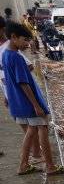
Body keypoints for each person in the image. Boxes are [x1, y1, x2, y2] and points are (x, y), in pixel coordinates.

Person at [2, 22, 64, 175]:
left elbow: (6, 80)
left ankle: (23, 165)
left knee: (30, 132)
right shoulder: (16, 57)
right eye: (25, 40)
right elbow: (24, 84)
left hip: (18, 103)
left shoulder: (5, 54)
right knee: (42, 128)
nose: (27, 44)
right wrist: (36, 105)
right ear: (13, 37)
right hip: (29, 103)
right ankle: (50, 166)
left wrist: (8, 98)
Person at [0, 17, 41, 160]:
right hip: (15, 93)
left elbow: (28, 67)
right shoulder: (10, 52)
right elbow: (21, 80)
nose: (27, 44)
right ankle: (29, 159)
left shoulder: (8, 50)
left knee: (30, 127)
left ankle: (33, 155)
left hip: (17, 93)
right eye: (25, 41)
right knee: (30, 126)